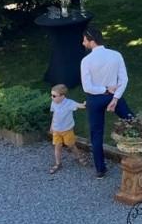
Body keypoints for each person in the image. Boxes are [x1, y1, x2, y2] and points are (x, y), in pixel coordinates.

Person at [80, 26, 133, 178]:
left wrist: (105, 90)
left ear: (91, 41)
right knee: (132, 121)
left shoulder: (86, 61)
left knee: (96, 134)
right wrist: (115, 97)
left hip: (95, 100)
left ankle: (100, 169)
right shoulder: (116, 55)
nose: (83, 43)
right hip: (113, 95)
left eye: (84, 40)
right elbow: (124, 80)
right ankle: (139, 153)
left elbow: (87, 87)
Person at [47, 84, 88, 173]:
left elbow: (79, 105)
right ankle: (58, 163)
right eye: (51, 95)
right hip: (56, 130)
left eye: (54, 96)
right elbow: (54, 115)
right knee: (57, 146)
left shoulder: (69, 103)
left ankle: (79, 157)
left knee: (71, 145)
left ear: (62, 96)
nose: (52, 97)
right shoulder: (54, 103)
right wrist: (51, 126)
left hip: (67, 130)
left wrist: (84, 104)